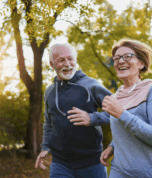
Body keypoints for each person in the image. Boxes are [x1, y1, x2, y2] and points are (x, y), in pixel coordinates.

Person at [100, 39, 152, 178]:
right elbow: (125, 131)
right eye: (116, 58)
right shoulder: (116, 97)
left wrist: (122, 114)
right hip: (119, 172)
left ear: (141, 63)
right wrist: (113, 146)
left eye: (127, 56)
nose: (120, 61)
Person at [35, 43, 112, 178]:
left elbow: (118, 112)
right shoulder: (49, 92)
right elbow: (48, 123)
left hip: (92, 164)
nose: (67, 64)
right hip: (60, 165)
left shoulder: (91, 85)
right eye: (61, 60)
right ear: (52, 65)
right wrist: (45, 147)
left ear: (76, 61)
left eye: (70, 59)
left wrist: (92, 118)